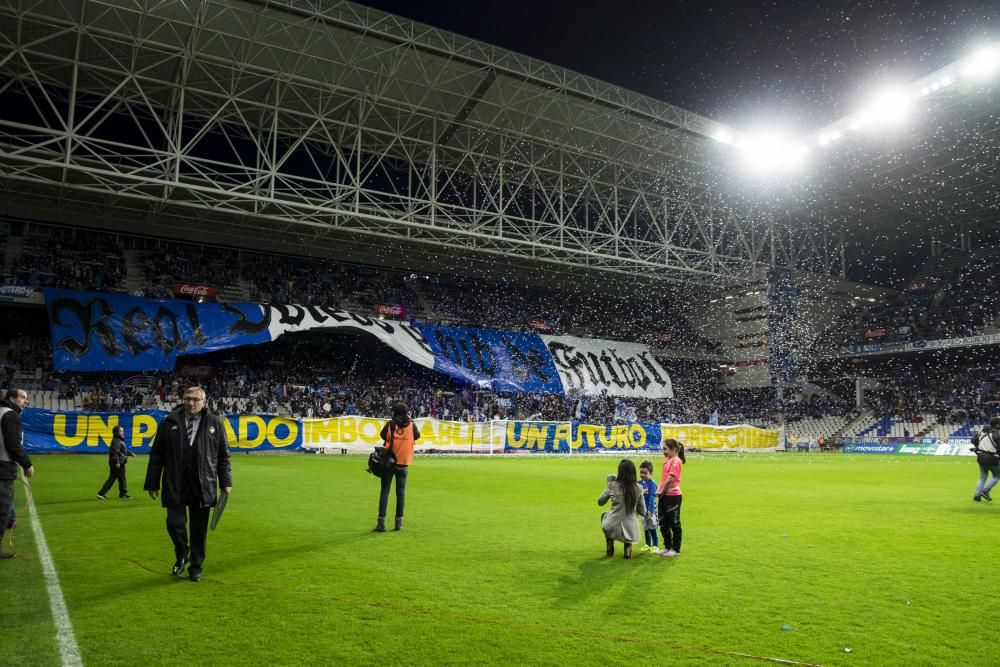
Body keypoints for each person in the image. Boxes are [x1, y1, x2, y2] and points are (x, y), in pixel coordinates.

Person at [144, 386, 232, 581]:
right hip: (175, 481)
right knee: (174, 523)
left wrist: (226, 481)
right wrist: (152, 482)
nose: (191, 403)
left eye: (195, 399)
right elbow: (157, 454)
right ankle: (182, 551)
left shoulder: (214, 423)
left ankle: (196, 567)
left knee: (199, 531)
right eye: (187, 399)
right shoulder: (169, 422)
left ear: (204, 402)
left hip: (203, 483)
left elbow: (223, 455)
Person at [374, 402, 420, 532]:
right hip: (403, 462)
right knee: (400, 493)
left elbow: (383, 435)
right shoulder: (412, 424)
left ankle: (381, 522)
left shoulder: (391, 424)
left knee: (385, 491)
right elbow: (417, 436)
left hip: (389, 462)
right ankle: (398, 522)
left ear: (395, 412)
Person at [1, 388, 33, 560]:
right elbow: (13, 444)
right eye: (22, 397)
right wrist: (26, 464)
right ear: (12, 398)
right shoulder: (11, 415)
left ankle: (11, 520)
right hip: (3, 468)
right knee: (2, 509)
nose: (25, 401)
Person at [597, 459, 645, 559]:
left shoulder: (612, 485)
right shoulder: (639, 488)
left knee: (604, 515)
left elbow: (600, 502)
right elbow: (643, 511)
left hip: (612, 527)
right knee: (630, 519)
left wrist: (608, 484)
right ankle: (627, 550)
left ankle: (609, 544)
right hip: (631, 531)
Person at [656, 438, 685, 558]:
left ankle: (676, 549)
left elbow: (670, 479)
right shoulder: (668, 460)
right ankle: (667, 547)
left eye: (665, 449)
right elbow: (663, 478)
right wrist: (659, 491)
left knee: (674, 523)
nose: (663, 451)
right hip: (664, 495)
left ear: (673, 449)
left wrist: (662, 492)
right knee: (663, 522)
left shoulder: (675, 461)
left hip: (673, 496)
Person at [97, 424, 135, 499]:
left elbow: (123, 451)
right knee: (122, 478)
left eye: (122, 431)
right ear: (116, 433)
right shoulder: (117, 441)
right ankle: (123, 494)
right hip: (118, 463)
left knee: (112, 478)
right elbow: (115, 452)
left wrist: (130, 454)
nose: (123, 432)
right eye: (121, 431)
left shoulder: (118, 440)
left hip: (116, 462)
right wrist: (117, 462)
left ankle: (101, 493)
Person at [972, 417, 1000, 502]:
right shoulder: (997, 434)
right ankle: (985, 490)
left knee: (982, 477)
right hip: (992, 457)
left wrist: (978, 448)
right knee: (997, 476)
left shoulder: (981, 430)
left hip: (981, 456)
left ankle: (977, 495)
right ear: (997, 425)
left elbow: (973, 440)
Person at [638, 460, 659, 552]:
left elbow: (652, 497)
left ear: (651, 473)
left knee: (652, 526)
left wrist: (650, 510)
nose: (642, 474)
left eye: (645, 473)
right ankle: (647, 544)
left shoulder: (652, 484)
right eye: (641, 472)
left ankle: (655, 545)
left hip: (651, 510)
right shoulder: (638, 483)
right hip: (643, 510)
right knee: (645, 527)